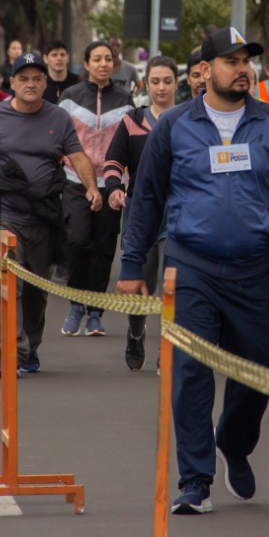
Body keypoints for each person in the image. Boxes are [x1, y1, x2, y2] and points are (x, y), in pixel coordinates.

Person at [117, 27, 269, 516]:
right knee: (190, 371)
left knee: (257, 372)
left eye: (246, 61)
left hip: (254, 271)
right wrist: (131, 262)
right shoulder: (175, 125)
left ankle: (231, 442)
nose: (243, 70)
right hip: (191, 268)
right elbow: (147, 196)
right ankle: (195, 480)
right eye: (232, 61)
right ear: (205, 70)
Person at [0, 51, 101, 377]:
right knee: (10, 285)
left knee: (36, 290)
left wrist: (91, 187)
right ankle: (9, 354)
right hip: (6, 215)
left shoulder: (58, 118)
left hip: (44, 217)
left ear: (45, 83)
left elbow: (78, 156)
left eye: (37, 79)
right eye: (24, 79)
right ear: (12, 83)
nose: (30, 84)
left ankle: (30, 347)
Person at [102, 55, 178, 370]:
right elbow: (113, 162)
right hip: (141, 211)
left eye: (167, 81)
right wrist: (113, 188)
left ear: (176, 84)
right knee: (141, 282)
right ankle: (136, 330)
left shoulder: (187, 120)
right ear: (146, 84)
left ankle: (168, 348)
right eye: (155, 81)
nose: (161, 87)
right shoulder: (132, 120)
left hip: (178, 212)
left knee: (173, 282)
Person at [57, 41, 134, 337]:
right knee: (77, 240)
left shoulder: (125, 98)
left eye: (108, 59)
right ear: (86, 64)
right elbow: (59, 138)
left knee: (104, 247)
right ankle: (76, 304)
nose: (103, 64)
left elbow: (130, 141)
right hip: (75, 179)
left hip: (112, 183)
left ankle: (95, 313)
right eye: (97, 59)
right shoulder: (70, 96)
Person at [41, 39, 80, 104]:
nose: (59, 58)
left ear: (68, 58)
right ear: (46, 59)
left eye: (62, 55)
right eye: (54, 55)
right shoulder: (40, 83)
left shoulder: (78, 82)